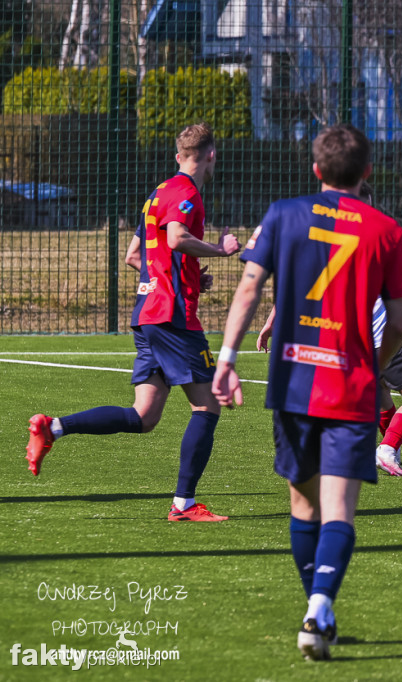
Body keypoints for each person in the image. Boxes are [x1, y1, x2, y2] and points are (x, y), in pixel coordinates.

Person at [211, 124, 402, 660]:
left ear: (316, 170)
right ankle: (321, 603)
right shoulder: (387, 231)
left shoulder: (283, 213)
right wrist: (372, 362)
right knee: (339, 511)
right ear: (367, 173)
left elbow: (250, 286)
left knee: (303, 507)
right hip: (350, 385)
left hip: (294, 382)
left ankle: (315, 609)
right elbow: (397, 320)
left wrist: (227, 359)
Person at [24, 123, 240, 522]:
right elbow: (175, 238)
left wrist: (189, 273)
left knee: (144, 417)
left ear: (178, 155)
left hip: (147, 313)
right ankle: (184, 504)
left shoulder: (158, 193)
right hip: (172, 317)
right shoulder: (187, 192)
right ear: (211, 155)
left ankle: (51, 428)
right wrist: (220, 250)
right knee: (208, 406)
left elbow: (134, 256)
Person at [255, 183, 402, 477]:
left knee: (381, 393)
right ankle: (387, 450)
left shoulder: (316, 238)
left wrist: (271, 322)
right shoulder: (376, 236)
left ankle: (386, 448)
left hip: (342, 340)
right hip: (379, 337)